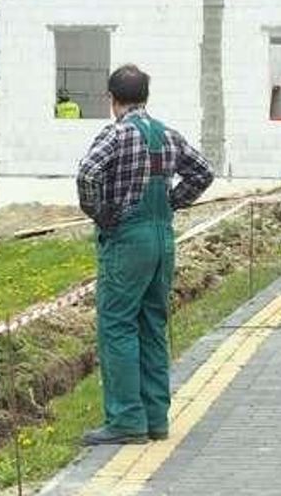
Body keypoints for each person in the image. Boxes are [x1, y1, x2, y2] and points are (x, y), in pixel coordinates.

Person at [76, 64, 214, 445]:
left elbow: (88, 173)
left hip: (128, 239)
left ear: (112, 99)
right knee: (153, 325)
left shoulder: (116, 134)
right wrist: (172, 200)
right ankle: (156, 419)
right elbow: (203, 172)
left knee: (118, 324)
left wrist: (99, 212)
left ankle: (125, 420)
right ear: (146, 96)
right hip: (162, 239)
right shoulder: (167, 135)